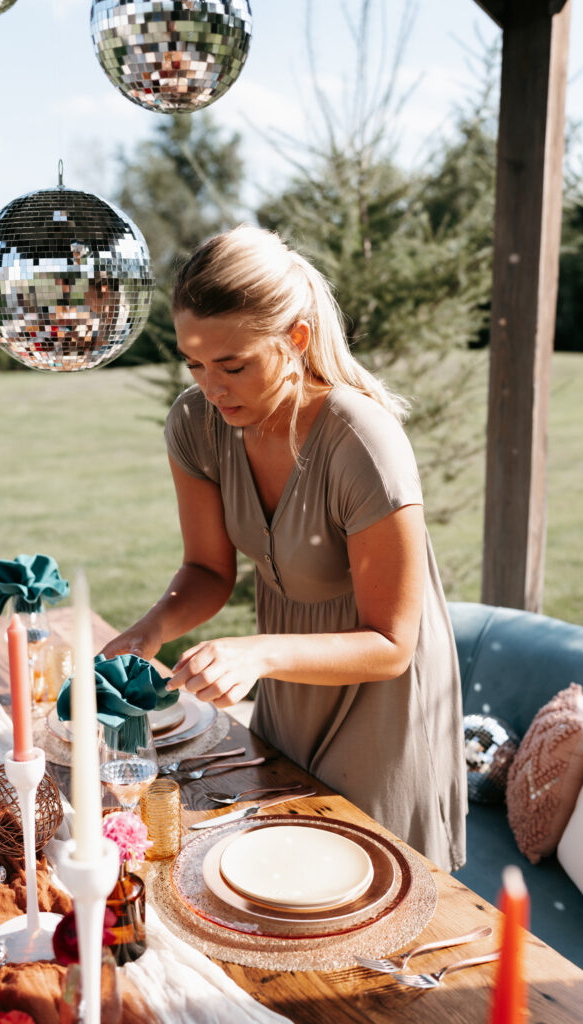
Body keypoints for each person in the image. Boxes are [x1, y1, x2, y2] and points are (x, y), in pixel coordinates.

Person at [103, 224, 467, 872]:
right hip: (287, 681)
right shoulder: (197, 425)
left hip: (380, 697)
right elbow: (207, 569)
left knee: (369, 890)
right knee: (276, 867)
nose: (210, 388)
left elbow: (391, 644)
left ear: (294, 339)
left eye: (232, 364)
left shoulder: (362, 443)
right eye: (194, 363)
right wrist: (150, 630)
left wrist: (257, 652)